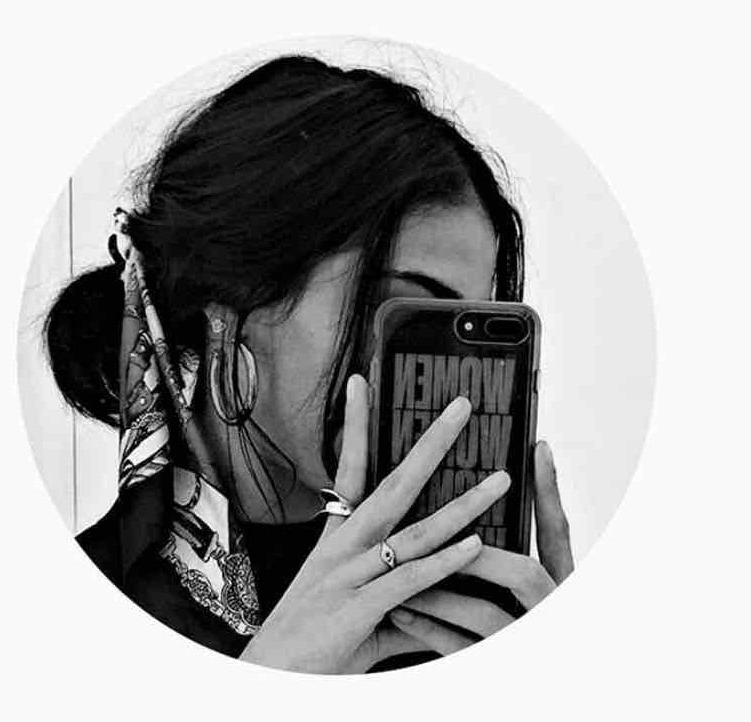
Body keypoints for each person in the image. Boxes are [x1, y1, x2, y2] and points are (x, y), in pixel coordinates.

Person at [44, 54, 574, 674]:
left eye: (467, 331)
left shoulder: (460, 615)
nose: (442, 378)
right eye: (399, 313)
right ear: (235, 302)